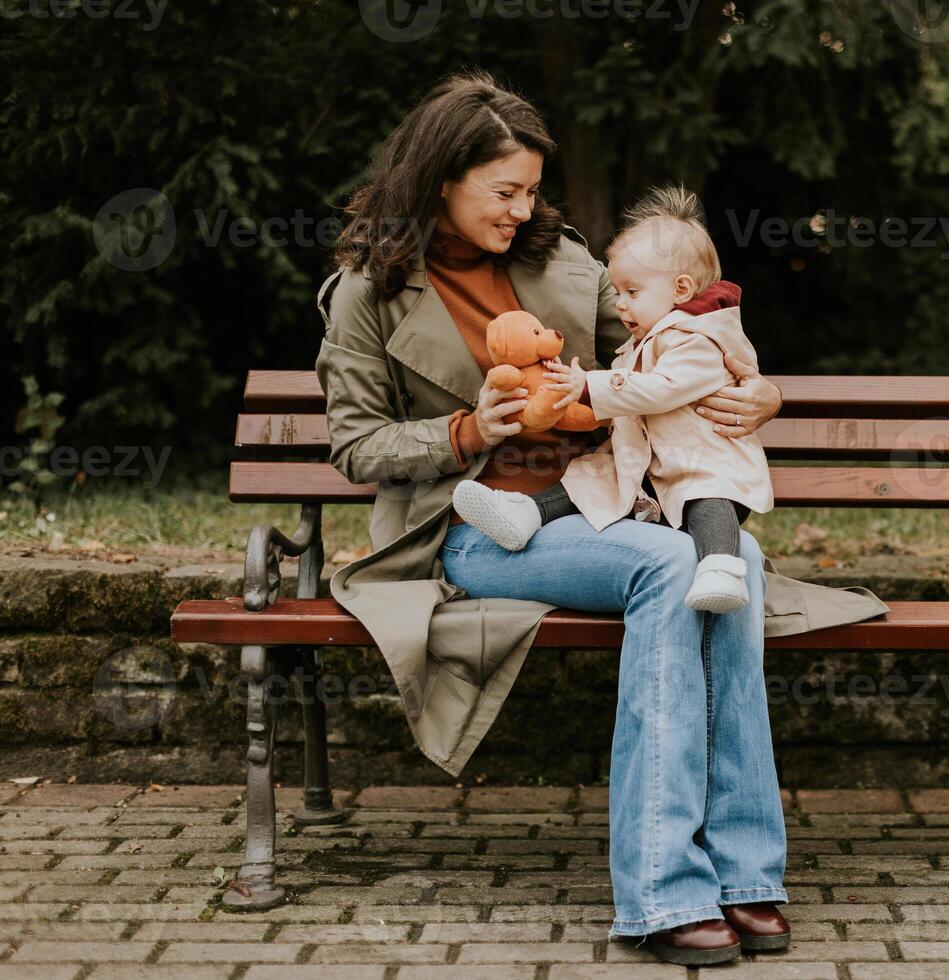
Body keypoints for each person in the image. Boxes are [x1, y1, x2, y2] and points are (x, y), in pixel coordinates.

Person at [316, 70, 886, 966]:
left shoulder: (563, 262)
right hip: (477, 527)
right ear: (439, 181)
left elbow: (675, 346)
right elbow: (357, 446)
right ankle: (663, 891)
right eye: (503, 191)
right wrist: (469, 427)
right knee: (671, 568)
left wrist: (758, 387)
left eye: (532, 190)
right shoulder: (367, 294)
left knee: (723, 563)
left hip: (612, 494)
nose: (521, 208)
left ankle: (742, 874)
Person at [453, 184, 773, 614]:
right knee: (592, 476)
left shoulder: (700, 341)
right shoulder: (645, 337)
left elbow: (661, 390)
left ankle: (721, 567)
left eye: (631, 293)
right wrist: (571, 398)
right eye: (617, 292)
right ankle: (526, 512)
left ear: (681, 289)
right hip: (653, 465)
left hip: (701, 462)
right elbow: (625, 393)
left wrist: (590, 385)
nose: (620, 305)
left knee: (706, 498)